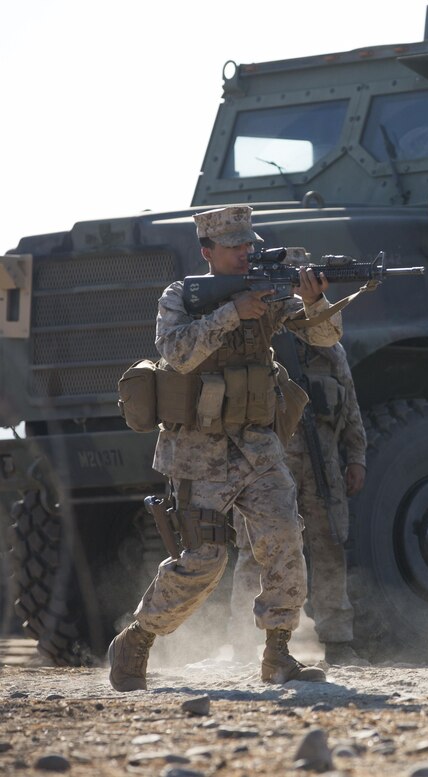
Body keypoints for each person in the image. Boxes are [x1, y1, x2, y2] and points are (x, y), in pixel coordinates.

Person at [108, 205, 343, 691]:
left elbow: (324, 338)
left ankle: (278, 653)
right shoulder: (181, 296)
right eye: (234, 246)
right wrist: (232, 313)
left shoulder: (269, 288)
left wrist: (315, 300)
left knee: (284, 538)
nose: (245, 253)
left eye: (248, 245)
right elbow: (175, 352)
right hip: (198, 449)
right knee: (204, 558)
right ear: (207, 252)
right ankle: (138, 638)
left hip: (258, 445)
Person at [230, 336, 367, 666]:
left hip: (323, 458)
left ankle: (337, 641)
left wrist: (357, 454)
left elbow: (347, 397)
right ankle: (243, 644)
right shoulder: (254, 331)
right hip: (267, 460)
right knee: (257, 550)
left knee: (330, 546)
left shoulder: (323, 335)